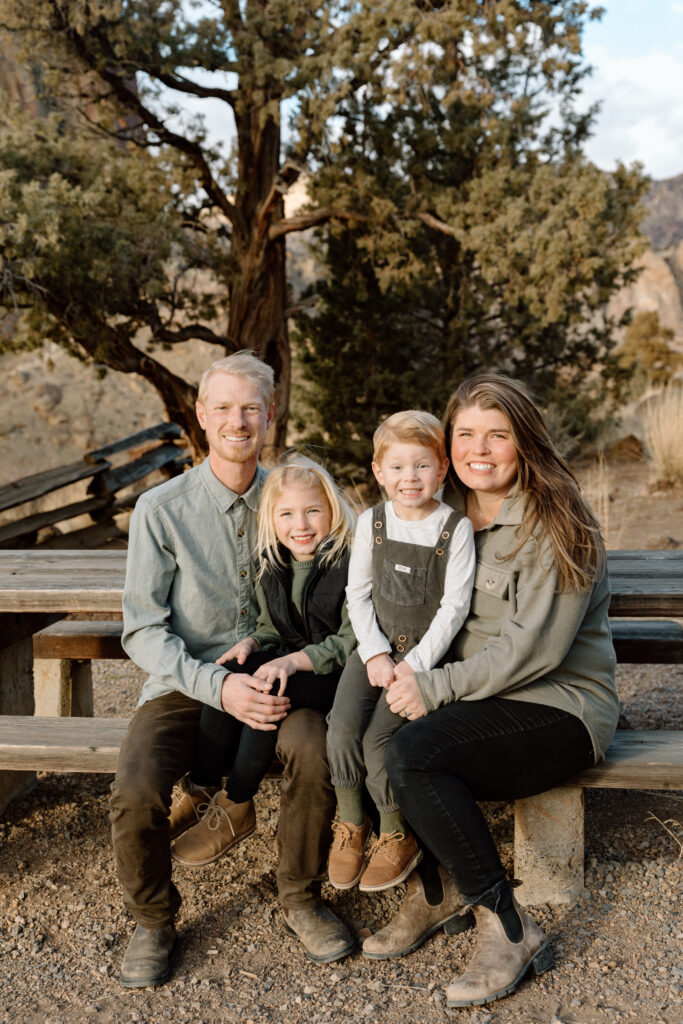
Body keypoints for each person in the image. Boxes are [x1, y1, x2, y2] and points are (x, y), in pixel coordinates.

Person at [362, 374, 618, 1008]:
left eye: (497, 435)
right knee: (358, 732)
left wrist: (433, 686)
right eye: (467, 434)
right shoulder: (434, 512)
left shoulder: (561, 523)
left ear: (524, 442)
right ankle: (434, 891)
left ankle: (508, 926)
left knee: (415, 753)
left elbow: (536, 649)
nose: (481, 448)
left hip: (558, 707)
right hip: (470, 698)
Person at [111, 352, 355, 990]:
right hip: (189, 681)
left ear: (270, 416)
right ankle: (153, 918)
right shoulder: (160, 510)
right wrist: (217, 683)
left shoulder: (296, 498)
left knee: (315, 750)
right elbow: (141, 629)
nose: (237, 420)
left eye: (251, 407)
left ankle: (300, 895)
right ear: (200, 416)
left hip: (286, 678)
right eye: (222, 407)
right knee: (135, 787)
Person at [169, 453, 356, 870]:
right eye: (287, 513)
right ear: (272, 519)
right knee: (230, 675)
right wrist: (252, 643)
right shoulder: (274, 563)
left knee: (268, 686)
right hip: (290, 663)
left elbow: (350, 640)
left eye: (312, 511)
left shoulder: (348, 561)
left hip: (336, 674)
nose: (301, 525)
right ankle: (201, 787)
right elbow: (272, 625)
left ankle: (237, 804)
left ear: (332, 510)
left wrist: (292, 663)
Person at [326, 410, 476, 893]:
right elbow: (359, 594)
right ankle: (351, 822)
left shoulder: (455, 530)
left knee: (377, 742)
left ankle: (395, 832)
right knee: (343, 726)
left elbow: (454, 608)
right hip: (372, 651)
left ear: (442, 469)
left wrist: (412, 667)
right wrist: (372, 653)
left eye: (422, 466)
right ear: (378, 471)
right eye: (398, 467)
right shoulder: (370, 522)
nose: (409, 478)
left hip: (421, 663)